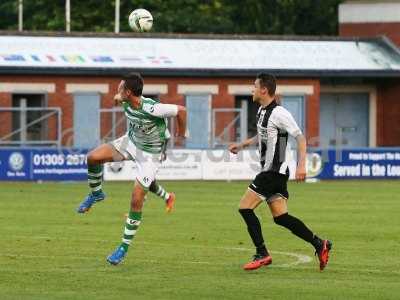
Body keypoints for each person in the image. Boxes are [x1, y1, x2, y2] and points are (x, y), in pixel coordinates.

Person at [76, 72, 187, 265]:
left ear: (128, 92)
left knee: (136, 199)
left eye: (120, 88)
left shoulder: (152, 107)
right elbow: (117, 98)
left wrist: (181, 133)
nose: (117, 91)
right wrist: (117, 98)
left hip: (150, 155)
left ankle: (123, 248)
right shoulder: (125, 99)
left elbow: (182, 110)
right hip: (131, 142)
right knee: (93, 158)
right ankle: (96, 194)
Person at [229, 73, 332, 271]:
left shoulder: (280, 113)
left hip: (273, 171)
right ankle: (320, 244)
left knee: (244, 207)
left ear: (264, 90)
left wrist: (302, 165)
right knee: (281, 217)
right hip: (274, 173)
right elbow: (261, 135)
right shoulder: (261, 111)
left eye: (254, 86)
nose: (252, 89)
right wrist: (242, 145)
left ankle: (262, 253)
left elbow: (300, 138)